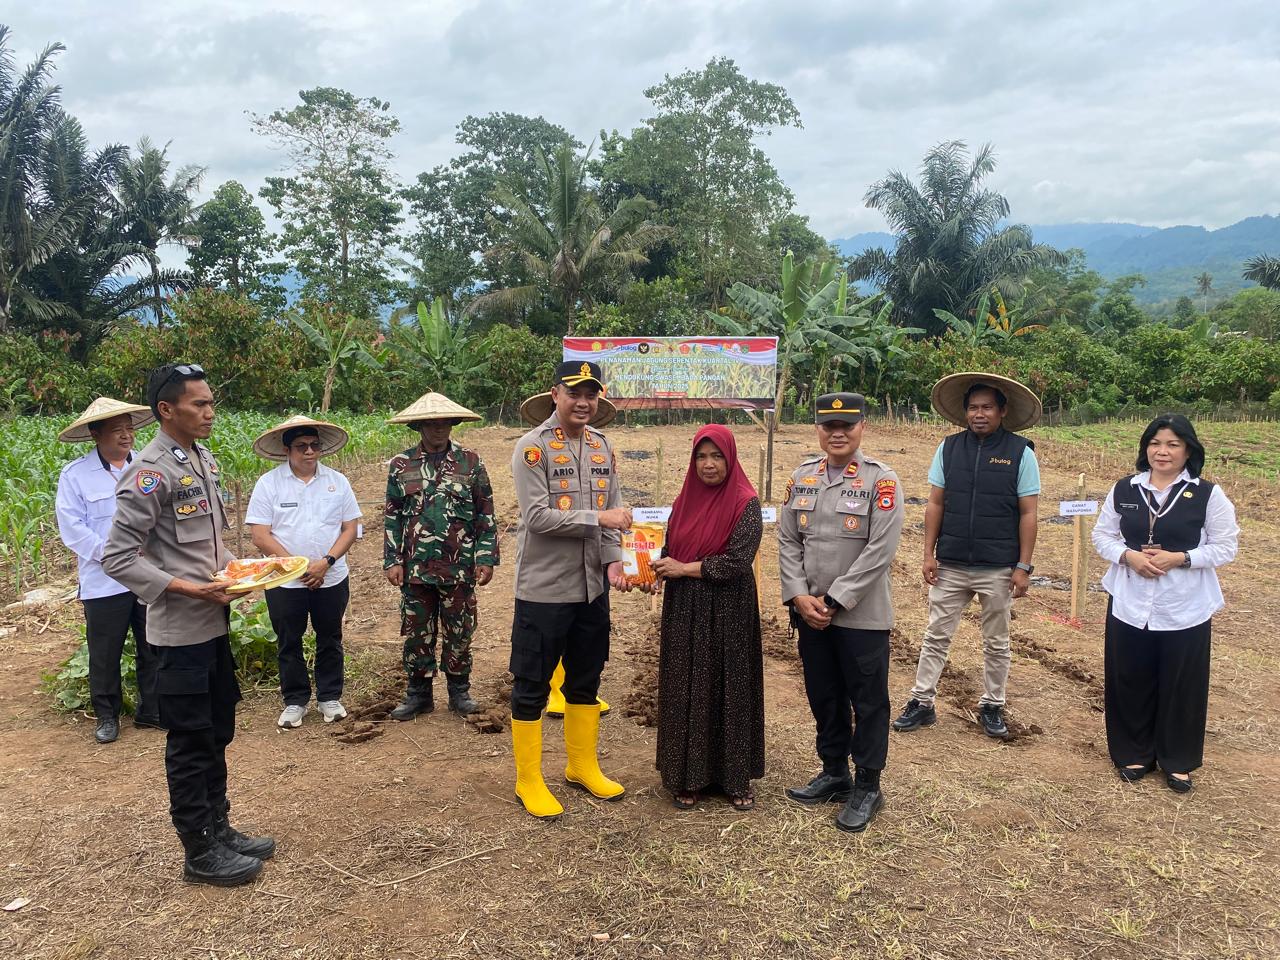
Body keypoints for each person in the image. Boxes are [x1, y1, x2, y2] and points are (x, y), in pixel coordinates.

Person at [103, 363, 274, 887]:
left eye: (210, 402)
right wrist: (190, 588)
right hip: (180, 632)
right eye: (198, 404)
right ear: (166, 410)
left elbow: (204, 544)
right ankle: (198, 850)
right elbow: (118, 557)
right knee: (190, 739)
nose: (209, 412)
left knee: (218, 728)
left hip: (214, 622)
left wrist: (236, 577)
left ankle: (219, 827)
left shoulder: (201, 459)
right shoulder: (150, 471)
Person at [508, 360, 632, 819]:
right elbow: (537, 517)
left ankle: (582, 766)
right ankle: (529, 779)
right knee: (532, 683)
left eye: (591, 394)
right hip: (544, 589)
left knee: (586, 677)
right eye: (575, 393)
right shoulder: (533, 449)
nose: (584, 402)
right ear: (555, 394)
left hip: (591, 587)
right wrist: (598, 519)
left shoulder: (602, 447)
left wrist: (615, 559)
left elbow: (614, 507)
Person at [1092, 414, 1238, 793]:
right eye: (1156, 443)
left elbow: (1226, 546)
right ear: (1145, 448)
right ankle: (1132, 751)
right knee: (1129, 676)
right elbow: (1102, 536)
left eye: (1173, 444)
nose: (1163, 451)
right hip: (1129, 599)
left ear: (1188, 449)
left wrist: (1181, 558)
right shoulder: (1125, 489)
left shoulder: (1208, 494)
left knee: (1181, 683)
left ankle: (1177, 760)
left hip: (1184, 605)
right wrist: (1129, 557)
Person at [779, 393, 904, 833]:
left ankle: (868, 785)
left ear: (862, 427)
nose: (837, 433)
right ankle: (834, 772)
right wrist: (798, 596)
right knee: (824, 695)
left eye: (846, 425)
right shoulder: (802, 477)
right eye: (828, 425)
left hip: (860, 616)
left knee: (868, 702)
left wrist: (832, 600)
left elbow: (880, 551)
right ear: (817, 428)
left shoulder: (881, 481)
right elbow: (788, 540)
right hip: (810, 613)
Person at [893, 373, 1042, 740]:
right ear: (965, 412)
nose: (980, 413)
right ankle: (922, 702)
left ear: (1002, 411)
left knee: (996, 640)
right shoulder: (948, 448)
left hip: (998, 567)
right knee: (936, 635)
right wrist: (928, 553)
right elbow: (935, 502)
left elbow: (1029, 513)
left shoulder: (1020, 452)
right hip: (953, 563)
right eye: (973, 407)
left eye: (987, 407)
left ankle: (993, 705)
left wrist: (1022, 566)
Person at [652, 425, 764, 811]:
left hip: (729, 607)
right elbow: (668, 547)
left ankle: (734, 779)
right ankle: (688, 775)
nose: (709, 464)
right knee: (689, 685)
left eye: (717, 456)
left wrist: (682, 570)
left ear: (730, 458)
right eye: (701, 456)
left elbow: (736, 561)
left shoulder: (745, 502)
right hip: (684, 609)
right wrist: (655, 569)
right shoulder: (683, 502)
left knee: (728, 686)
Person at [383, 393, 498, 719]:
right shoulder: (401, 465)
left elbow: (485, 516)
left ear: (453, 423)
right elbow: (393, 516)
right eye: (431, 423)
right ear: (418, 425)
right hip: (416, 566)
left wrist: (485, 558)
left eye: (444, 422)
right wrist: (393, 560)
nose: (438, 428)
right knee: (417, 631)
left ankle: (459, 692)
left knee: (459, 629)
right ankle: (418, 694)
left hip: (458, 566)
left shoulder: (471, 463)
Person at [55, 397, 160, 743]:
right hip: (104, 582)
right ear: (95, 434)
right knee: (104, 652)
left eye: (129, 428)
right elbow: (73, 529)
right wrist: (117, 555)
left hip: (147, 576)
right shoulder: (75, 476)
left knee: (152, 644)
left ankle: (151, 710)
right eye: (117, 430)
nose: (126, 435)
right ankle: (107, 715)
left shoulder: (147, 467)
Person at [246, 415, 361, 729]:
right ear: (287, 450)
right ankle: (295, 701)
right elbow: (260, 535)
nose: (309, 452)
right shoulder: (269, 484)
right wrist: (296, 566)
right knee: (289, 640)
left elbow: (350, 528)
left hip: (331, 575)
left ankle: (329, 698)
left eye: (314, 445)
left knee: (330, 637)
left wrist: (326, 562)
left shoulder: (338, 482)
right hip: (284, 580)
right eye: (301, 447)